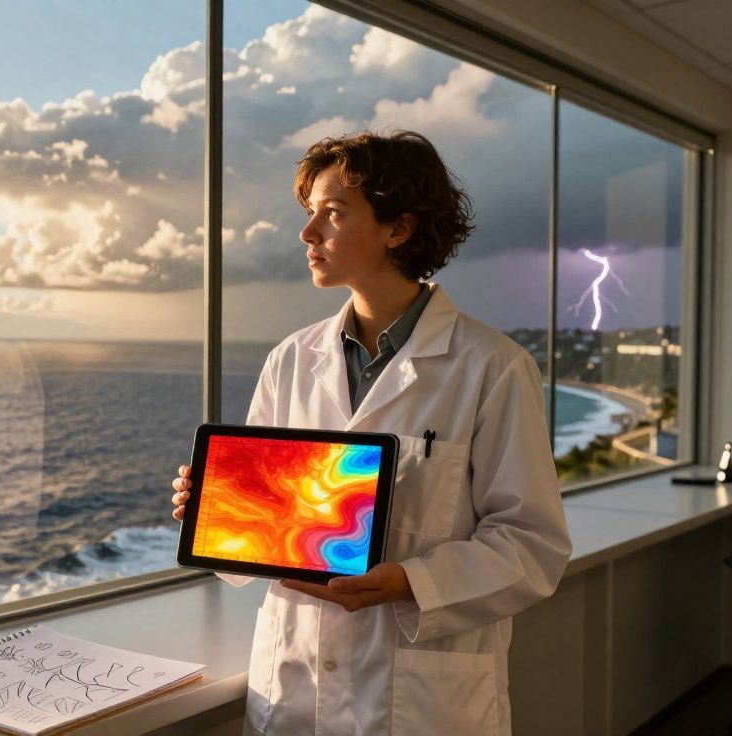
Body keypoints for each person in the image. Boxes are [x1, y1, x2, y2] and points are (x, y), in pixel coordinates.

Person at [169, 130, 571, 735]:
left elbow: (532, 543)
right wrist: (220, 510)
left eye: (332, 213)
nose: (308, 234)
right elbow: (268, 527)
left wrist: (411, 582)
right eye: (310, 213)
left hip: (419, 702)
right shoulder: (291, 359)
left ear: (398, 228)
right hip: (295, 687)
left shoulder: (493, 366)